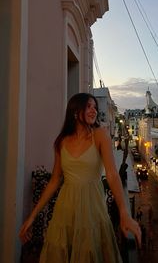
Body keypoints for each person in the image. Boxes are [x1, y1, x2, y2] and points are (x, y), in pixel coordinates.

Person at [19, 93, 141, 262]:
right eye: (88, 106)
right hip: (65, 210)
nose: (94, 111)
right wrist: (32, 217)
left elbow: (112, 175)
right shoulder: (61, 142)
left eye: (95, 107)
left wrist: (124, 213)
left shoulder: (100, 135)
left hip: (93, 209)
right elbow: (55, 180)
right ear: (75, 112)